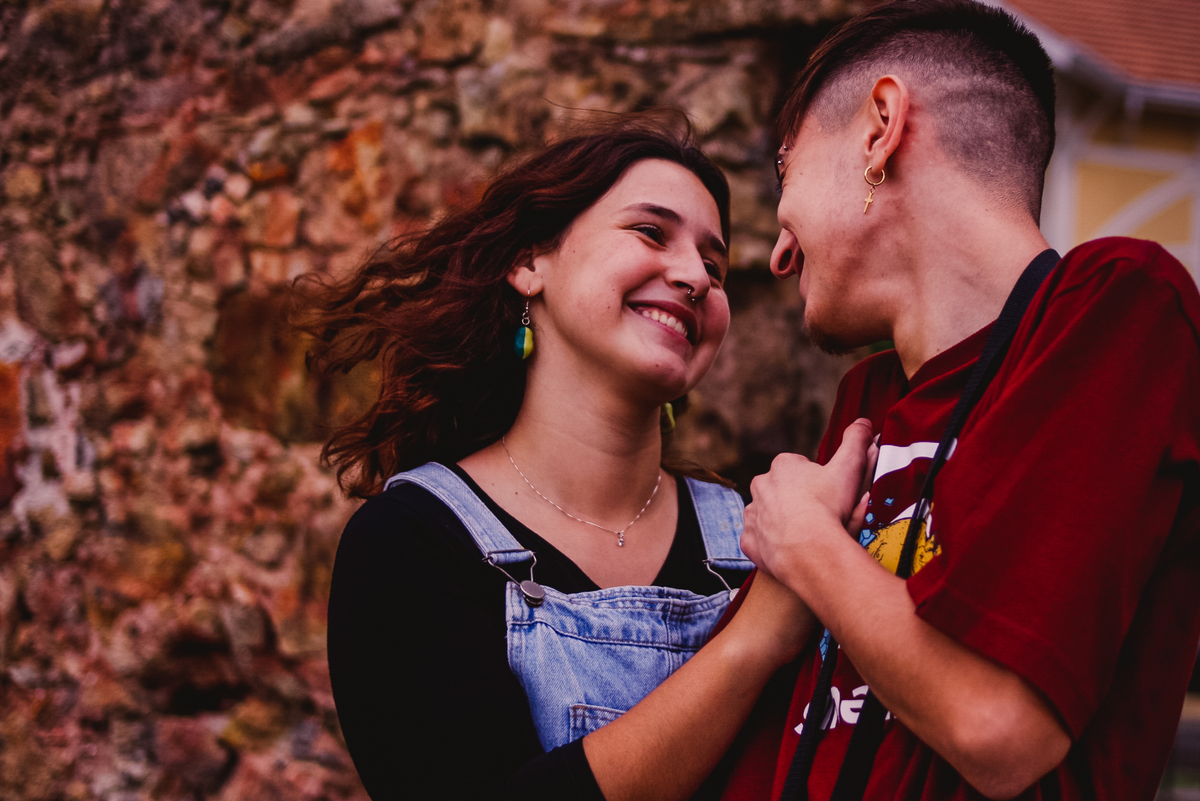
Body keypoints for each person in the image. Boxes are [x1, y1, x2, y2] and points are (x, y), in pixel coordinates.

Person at [721, 1, 1200, 800]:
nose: (777, 249)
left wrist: (805, 544)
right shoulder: (867, 401)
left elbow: (997, 723)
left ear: (880, 128)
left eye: (785, 171)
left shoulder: (1120, 307)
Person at [304, 114, 812, 800]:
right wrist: (750, 642)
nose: (695, 276)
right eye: (650, 232)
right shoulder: (412, 541)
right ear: (530, 262)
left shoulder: (762, 536)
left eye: (715, 266)